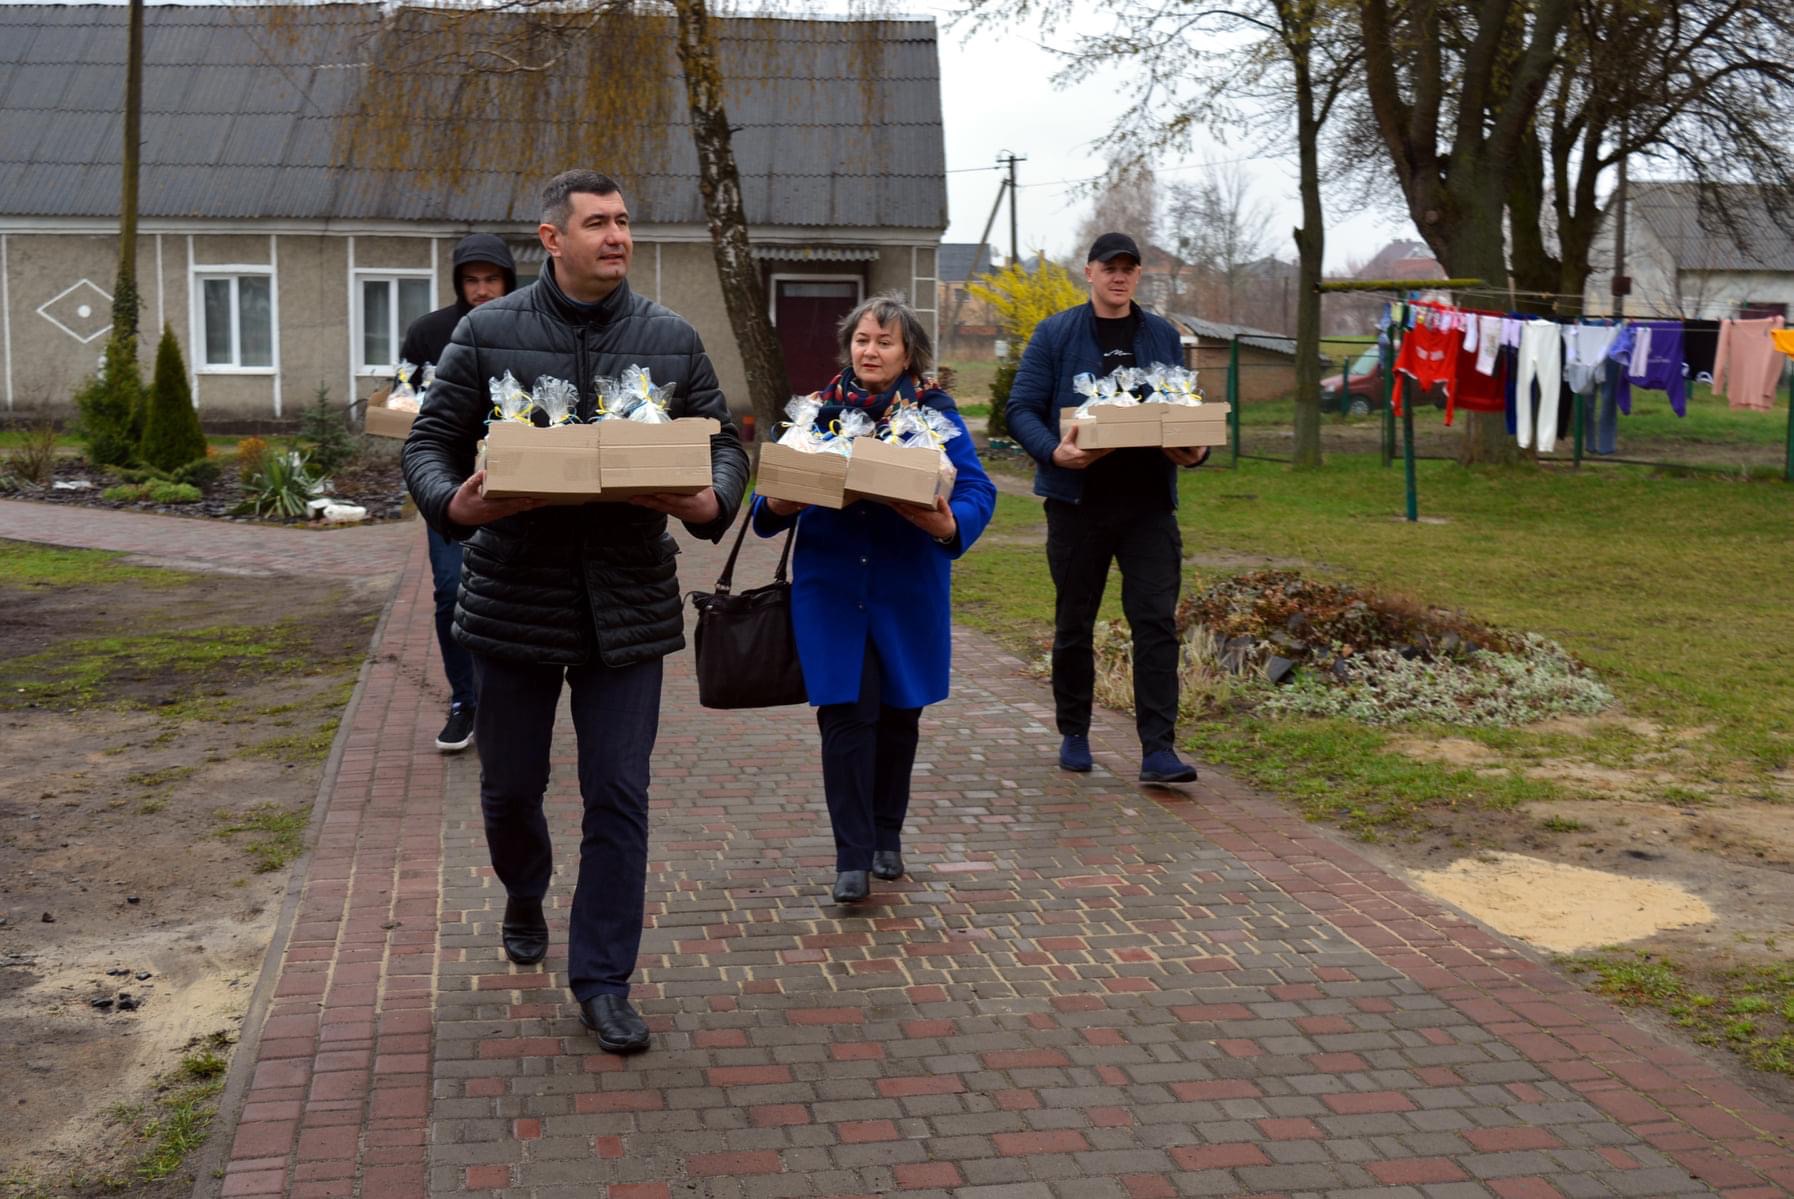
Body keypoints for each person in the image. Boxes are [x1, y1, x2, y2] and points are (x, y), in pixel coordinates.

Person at [402, 170, 749, 1054]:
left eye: (625, 221)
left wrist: (709, 503)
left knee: (619, 794)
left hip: (626, 605)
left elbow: (723, 444)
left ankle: (603, 979)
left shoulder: (670, 338)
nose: (617, 236)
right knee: (511, 789)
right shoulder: (487, 332)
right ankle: (525, 887)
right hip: (515, 596)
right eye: (597, 223)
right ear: (552, 239)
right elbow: (430, 444)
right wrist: (456, 505)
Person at [752, 294, 996, 904]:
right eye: (863, 340)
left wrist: (947, 524)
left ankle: (888, 834)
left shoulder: (934, 413)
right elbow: (766, 507)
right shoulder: (817, 412)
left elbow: (976, 488)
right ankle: (851, 855)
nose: (871, 351)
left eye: (884, 342)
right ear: (849, 347)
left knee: (897, 717)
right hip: (831, 592)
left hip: (905, 589)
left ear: (907, 352)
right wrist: (785, 499)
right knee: (845, 716)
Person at [1005, 232, 1209, 785]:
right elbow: (1020, 408)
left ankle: (1158, 750)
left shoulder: (1164, 335)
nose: (1119, 277)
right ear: (1088, 273)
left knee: (1156, 624)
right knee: (1075, 624)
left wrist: (1197, 452)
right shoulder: (1056, 333)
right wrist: (1053, 451)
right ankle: (1074, 731)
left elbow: (1188, 414)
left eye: (1129, 268)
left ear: (1138, 276)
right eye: (1108, 267)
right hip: (1078, 505)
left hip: (1148, 507)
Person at [396, 233, 517, 754]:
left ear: (508, 280)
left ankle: (512, 705)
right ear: (458, 282)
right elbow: (403, 394)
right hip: (449, 482)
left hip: (515, 483)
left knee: (513, 598)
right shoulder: (429, 332)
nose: (482, 289)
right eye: (473, 280)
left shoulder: (529, 325)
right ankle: (465, 701)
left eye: (492, 279)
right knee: (451, 592)